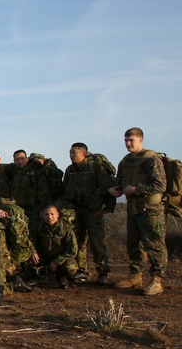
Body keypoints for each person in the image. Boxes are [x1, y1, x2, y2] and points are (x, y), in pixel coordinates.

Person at [110, 127, 167, 296]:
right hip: (133, 207)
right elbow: (120, 182)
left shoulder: (151, 159)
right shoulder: (125, 161)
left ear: (140, 140)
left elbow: (160, 185)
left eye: (131, 140)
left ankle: (157, 280)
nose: (128, 144)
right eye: (126, 140)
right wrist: (114, 189)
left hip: (151, 209)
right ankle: (135, 276)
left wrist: (136, 189)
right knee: (134, 243)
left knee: (154, 244)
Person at [63, 142, 116, 284]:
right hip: (76, 211)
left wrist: (108, 208)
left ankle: (103, 272)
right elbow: (65, 190)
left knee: (97, 242)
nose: (71, 155)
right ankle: (81, 271)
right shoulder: (70, 170)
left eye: (74, 152)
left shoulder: (94, 167)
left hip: (93, 211)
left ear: (83, 153)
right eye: (70, 152)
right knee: (78, 242)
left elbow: (109, 187)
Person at [29, 205, 79, 289]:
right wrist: (33, 252)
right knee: (26, 258)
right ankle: (32, 277)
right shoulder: (37, 227)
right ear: (42, 215)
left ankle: (61, 277)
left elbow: (72, 250)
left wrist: (57, 261)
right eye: (46, 214)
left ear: (57, 215)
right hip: (43, 257)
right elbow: (30, 242)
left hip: (59, 259)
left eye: (52, 214)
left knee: (70, 266)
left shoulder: (65, 229)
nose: (49, 217)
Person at [10, 150, 53, 229]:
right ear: (14, 161)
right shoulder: (15, 173)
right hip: (19, 210)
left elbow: (43, 191)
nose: (20, 161)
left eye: (22, 158)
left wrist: (42, 209)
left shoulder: (36, 171)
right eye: (17, 159)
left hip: (34, 209)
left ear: (27, 159)